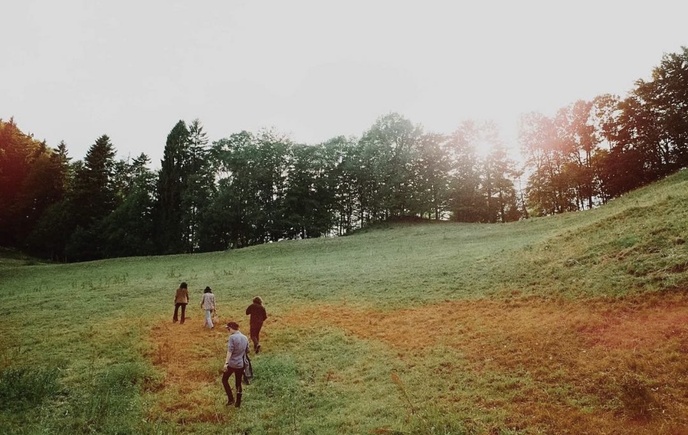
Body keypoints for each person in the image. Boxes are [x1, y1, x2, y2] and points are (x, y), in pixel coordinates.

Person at [222, 321, 249, 408]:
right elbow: (247, 350)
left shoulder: (232, 338)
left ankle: (230, 399)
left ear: (231, 328)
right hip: (240, 364)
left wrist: (226, 363)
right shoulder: (245, 337)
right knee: (238, 383)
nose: (228, 330)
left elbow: (229, 351)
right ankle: (238, 403)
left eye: (228, 329)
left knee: (224, 380)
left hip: (232, 363)